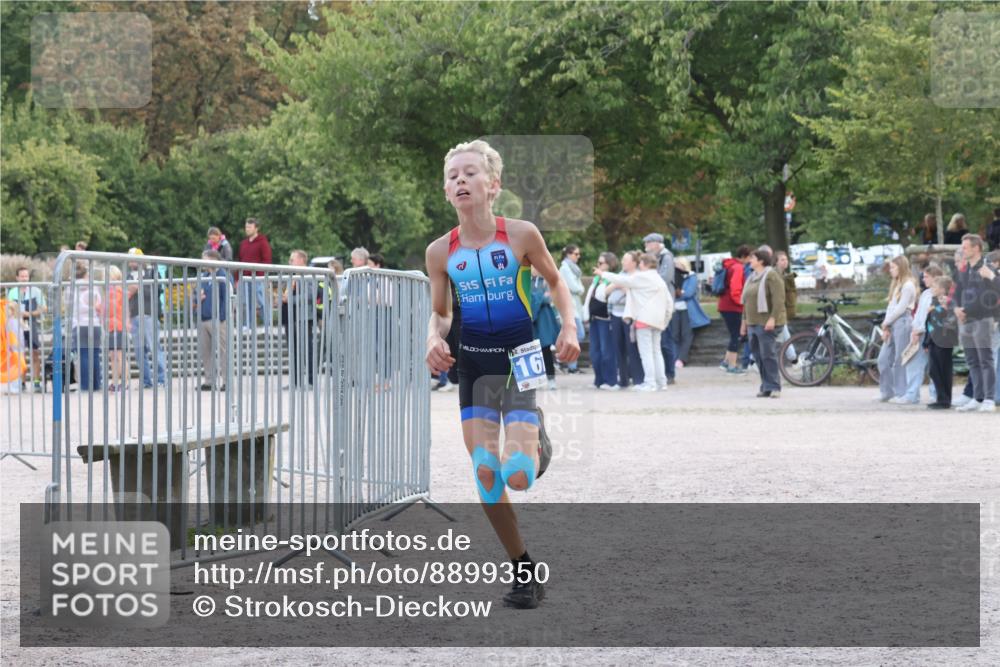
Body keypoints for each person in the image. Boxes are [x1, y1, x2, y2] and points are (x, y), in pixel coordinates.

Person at [425, 139, 580, 610]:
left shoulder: (521, 235)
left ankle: (535, 443)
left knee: (516, 475)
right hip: (473, 365)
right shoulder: (439, 252)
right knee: (486, 473)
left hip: (521, 359)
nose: (460, 181)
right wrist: (432, 339)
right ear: (446, 191)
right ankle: (524, 570)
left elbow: (555, 282)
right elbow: (441, 314)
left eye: (469, 173)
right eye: (453, 176)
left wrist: (569, 324)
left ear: (494, 185)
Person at [597, 251, 672, 392]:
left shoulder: (641, 277)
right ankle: (661, 382)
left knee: (646, 353)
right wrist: (665, 320)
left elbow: (622, 280)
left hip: (643, 320)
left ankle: (650, 383)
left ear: (643, 264)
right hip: (658, 321)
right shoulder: (660, 280)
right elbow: (669, 303)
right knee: (656, 352)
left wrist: (603, 274)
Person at [953, 234, 999, 412]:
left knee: (985, 360)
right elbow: (956, 291)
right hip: (966, 320)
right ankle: (977, 397)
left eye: (965, 247)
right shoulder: (964, 270)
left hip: (982, 319)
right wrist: (957, 308)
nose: (962, 250)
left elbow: (989, 295)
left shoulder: (986, 268)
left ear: (976, 248)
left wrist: (966, 311)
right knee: (972, 360)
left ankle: (989, 399)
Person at [740, 249, 786, 398]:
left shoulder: (771, 275)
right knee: (758, 356)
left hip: (766, 322)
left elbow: (779, 299)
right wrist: (744, 322)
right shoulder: (752, 277)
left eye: (752, 258)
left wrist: (772, 318)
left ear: (761, 261)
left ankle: (774, 386)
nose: (750, 260)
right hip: (753, 322)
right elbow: (746, 302)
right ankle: (766, 385)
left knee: (768, 354)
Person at [898, 265, 944, 405]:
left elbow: (931, 316)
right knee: (913, 363)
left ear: (935, 277)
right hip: (919, 333)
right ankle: (912, 394)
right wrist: (914, 329)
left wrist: (920, 330)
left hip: (931, 334)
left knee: (934, 365)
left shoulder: (939, 295)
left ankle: (935, 394)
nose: (924, 279)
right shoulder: (925, 294)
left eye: (926, 277)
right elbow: (919, 314)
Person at [877, 256, 917, 403]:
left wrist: (887, 321)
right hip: (893, 322)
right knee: (883, 359)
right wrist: (886, 325)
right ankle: (887, 391)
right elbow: (891, 307)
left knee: (900, 359)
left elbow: (901, 308)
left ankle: (902, 392)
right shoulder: (897, 285)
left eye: (893, 267)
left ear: (901, 267)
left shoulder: (908, 285)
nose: (891, 270)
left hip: (903, 322)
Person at [126, 248, 167, 388]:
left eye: (132, 258)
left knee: (154, 347)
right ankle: (146, 381)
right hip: (134, 315)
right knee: (139, 351)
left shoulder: (152, 272)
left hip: (149, 313)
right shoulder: (128, 275)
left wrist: (138, 287)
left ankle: (161, 379)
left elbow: (156, 291)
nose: (130, 261)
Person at [644, 233, 677, 383]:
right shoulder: (659, 257)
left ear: (656, 244)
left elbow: (666, 277)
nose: (646, 248)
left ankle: (670, 373)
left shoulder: (666, 257)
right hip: (655, 305)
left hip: (663, 305)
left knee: (666, 341)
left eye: (648, 244)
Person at [584, 252, 619, 390]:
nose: (597, 265)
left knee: (607, 351)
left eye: (601, 263)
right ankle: (598, 380)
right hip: (594, 319)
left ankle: (611, 381)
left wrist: (602, 278)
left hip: (605, 319)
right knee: (595, 352)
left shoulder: (611, 279)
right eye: (598, 262)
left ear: (609, 265)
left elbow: (601, 296)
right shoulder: (596, 280)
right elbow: (588, 299)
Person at [9, 267, 46, 392]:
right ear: (17, 278)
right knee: (20, 355)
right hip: (17, 326)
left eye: (26, 276)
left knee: (35, 353)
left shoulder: (36, 291)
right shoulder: (12, 291)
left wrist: (29, 313)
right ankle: (22, 382)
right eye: (22, 276)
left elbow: (43, 308)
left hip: (32, 325)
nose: (24, 278)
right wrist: (17, 313)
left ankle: (36, 382)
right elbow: (9, 309)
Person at [284, 249, 317, 388]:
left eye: (293, 259)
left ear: (301, 260)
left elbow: (310, 296)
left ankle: (310, 381)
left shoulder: (308, 275)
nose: (290, 262)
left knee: (306, 349)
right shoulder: (292, 275)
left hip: (304, 317)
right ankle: (295, 381)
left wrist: (290, 299)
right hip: (291, 317)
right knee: (293, 350)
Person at [196, 250, 229, 391]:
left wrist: (222, 317)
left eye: (205, 259)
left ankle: (227, 381)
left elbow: (226, 297)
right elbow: (196, 295)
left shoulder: (222, 274)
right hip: (204, 318)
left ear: (213, 259)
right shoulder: (204, 276)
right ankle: (209, 381)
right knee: (206, 352)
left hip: (217, 319)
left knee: (223, 351)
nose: (202, 262)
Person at [925, 275, 959, 409]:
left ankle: (945, 399)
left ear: (943, 290)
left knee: (943, 369)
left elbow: (950, 321)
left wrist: (944, 309)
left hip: (944, 340)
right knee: (934, 370)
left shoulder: (948, 303)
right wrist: (926, 341)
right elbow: (929, 322)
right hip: (933, 339)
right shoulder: (933, 301)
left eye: (935, 286)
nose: (932, 288)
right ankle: (941, 397)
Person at [70, 263, 104, 391]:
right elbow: (99, 304)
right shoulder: (93, 286)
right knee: (95, 354)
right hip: (94, 323)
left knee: (83, 355)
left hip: (79, 324)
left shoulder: (71, 287)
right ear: (86, 274)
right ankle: (96, 384)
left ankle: (85, 385)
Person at [671, 258, 710, 367]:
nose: (676, 266)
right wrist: (679, 293)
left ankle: (681, 358)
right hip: (674, 309)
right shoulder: (673, 276)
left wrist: (679, 293)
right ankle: (674, 357)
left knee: (686, 334)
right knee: (674, 335)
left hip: (687, 310)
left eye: (678, 264)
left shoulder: (691, 276)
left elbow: (689, 293)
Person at [718, 245, 750, 374]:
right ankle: (732, 365)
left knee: (734, 334)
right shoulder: (738, 268)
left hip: (725, 305)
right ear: (744, 256)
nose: (750, 260)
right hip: (732, 306)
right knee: (736, 335)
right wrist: (742, 304)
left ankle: (726, 362)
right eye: (749, 257)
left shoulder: (730, 265)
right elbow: (735, 290)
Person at [237, 217, 273, 328]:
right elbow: (240, 261)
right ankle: (249, 324)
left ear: (256, 228)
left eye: (249, 227)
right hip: (245, 278)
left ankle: (268, 324)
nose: (247, 229)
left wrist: (261, 275)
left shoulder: (263, 242)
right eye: (246, 227)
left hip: (259, 278)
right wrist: (238, 278)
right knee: (247, 302)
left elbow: (267, 260)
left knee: (262, 301)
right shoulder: (243, 244)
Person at [529, 267, 560, 390]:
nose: (535, 269)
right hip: (530, 319)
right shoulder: (526, 281)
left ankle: (551, 378)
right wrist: (541, 298)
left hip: (544, 320)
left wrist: (538, 298)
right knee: (531, 350)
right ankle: (534, 379)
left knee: (546, 349)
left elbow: (549, 298)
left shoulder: (546, 281)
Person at [558, 244, 585, 373]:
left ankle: (569, 365)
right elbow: (575, 287)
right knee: (578, 334)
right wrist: (580, 289)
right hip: (569, 307)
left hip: (575, 306)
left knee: (574, 335)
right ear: (568, 254)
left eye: (579, 254)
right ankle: (566, 362)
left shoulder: (574, 269)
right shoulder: (565, 268)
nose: (578, 257)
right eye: (576, 254)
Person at [105, 265, 128, 392]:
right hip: (111, 327)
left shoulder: (118, 290)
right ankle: (115, 382)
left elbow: (113, 308)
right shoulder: (111, 290)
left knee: (119, 355)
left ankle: (124, 382)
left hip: (118, 326)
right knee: (113, 356)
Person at [773, 250, 798, 362]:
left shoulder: (785, 276)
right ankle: (794, 360)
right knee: (784, 335)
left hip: (782, 311)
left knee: (778, 337)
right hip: (776, 311)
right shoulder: (774, 275)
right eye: (782, 260)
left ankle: (752, 360)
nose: (785, 262)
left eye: (786, 259)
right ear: (776, 262)